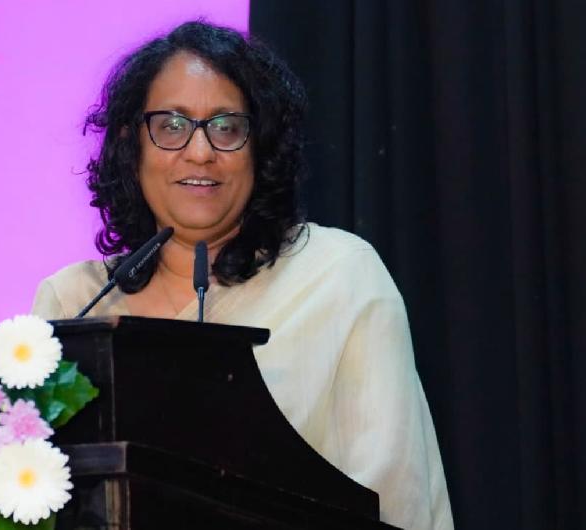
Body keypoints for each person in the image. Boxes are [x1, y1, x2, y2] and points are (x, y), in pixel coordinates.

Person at [31, 21, 453, 530]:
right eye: (172, 125)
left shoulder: (339, 275)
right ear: (131, 143)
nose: (200, 151)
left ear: (260, 147)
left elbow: (396, 492)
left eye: (227, 127)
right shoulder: (75, 301)